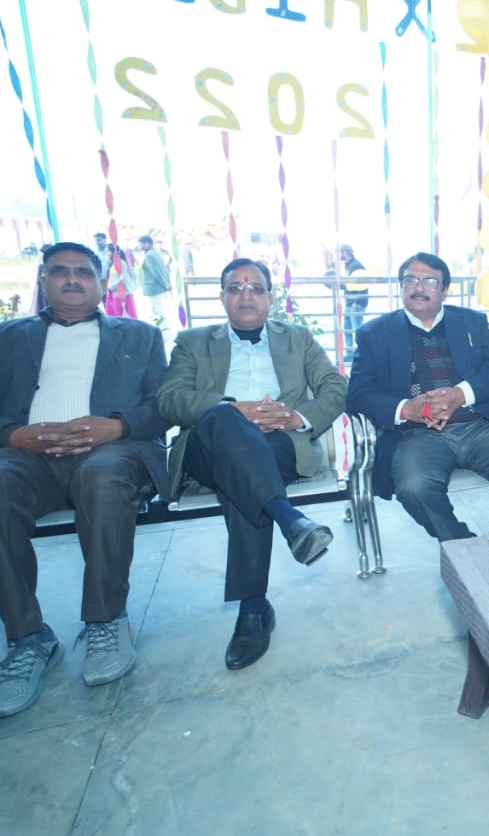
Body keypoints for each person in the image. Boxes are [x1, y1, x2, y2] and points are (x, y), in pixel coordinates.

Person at [0, 242, 169, 719]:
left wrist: (117, 426)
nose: (72, 279)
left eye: (83, 272)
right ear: (43, 280)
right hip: (26, 455)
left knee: (104, 478)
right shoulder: (7, 337)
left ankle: (105, 620)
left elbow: (163, 405)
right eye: (59, 271)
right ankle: (27, 638)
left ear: (102, 283)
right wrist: (15, 435)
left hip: (109, 450)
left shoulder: (140, 335)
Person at [157, 258, 345, 670]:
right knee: (227, 422)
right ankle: (290, 519)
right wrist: (231, 408)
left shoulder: (298, 338)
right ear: (222, 296)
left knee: (245, 476)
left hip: (280, 441)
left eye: (256, 288)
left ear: (270, 298)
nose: (246, 295)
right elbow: (169, 400)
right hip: (208, 445)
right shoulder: (193, 342)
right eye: (236, 288)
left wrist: (296, 418)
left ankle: (253, 607)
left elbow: (335, 386)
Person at [348, 252, 489, 541]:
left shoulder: (471, 322)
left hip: (479, 424)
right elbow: (358, 395)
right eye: (410, 280)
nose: (418, 288)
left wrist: (460, 394)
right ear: (401, 286)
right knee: (414, 487)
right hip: (416, 433)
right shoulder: (374, 333)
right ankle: (461, 545)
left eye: (429, 281)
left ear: (445, 290)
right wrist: (406, 409)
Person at [339, 244, 369, 356]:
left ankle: (361, 353)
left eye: (340, 253)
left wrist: (358, 302)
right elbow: (348, 284)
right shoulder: (348, 266)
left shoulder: (356, 266)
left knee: (357, 330)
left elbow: (363, 285)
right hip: (349, 301)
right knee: (347, 329)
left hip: (355, 303)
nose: (338, 255)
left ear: (345, 252)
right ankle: (350, 354)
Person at [138, 235, 172, 327]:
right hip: (157, 287)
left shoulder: (150, 255)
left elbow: (156, 272)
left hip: (153, 287)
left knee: (157, 310)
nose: (139, 246)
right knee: (157, 310)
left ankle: (161, 328)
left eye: (141, 244)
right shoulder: (156, 252)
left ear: (146, 243)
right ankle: (161, 327)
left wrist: (165, 284)